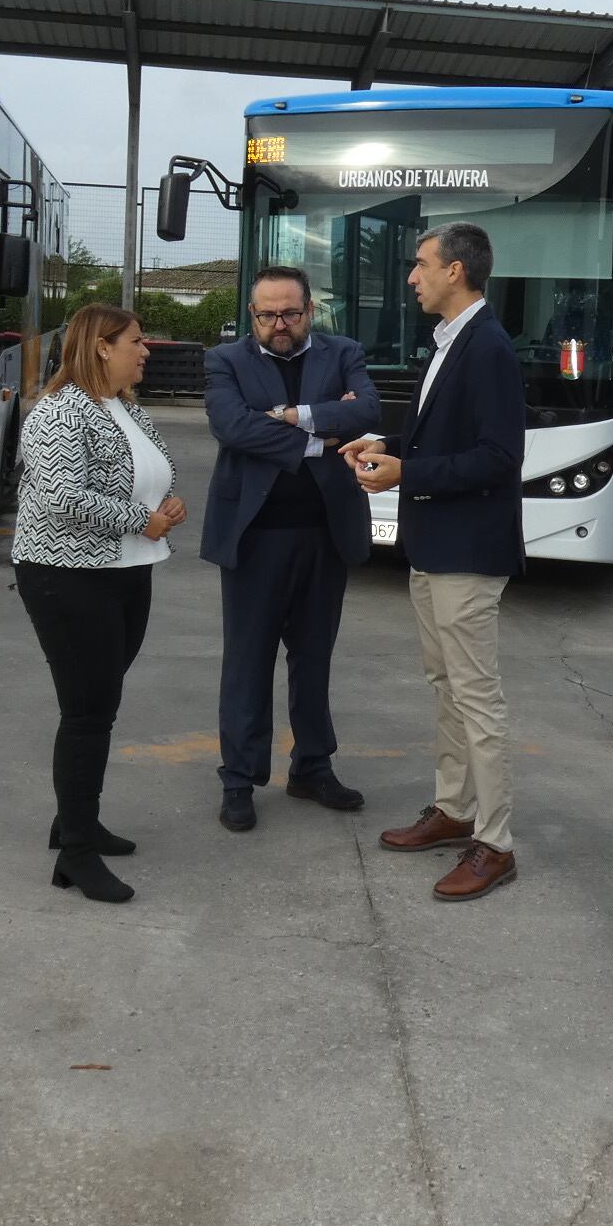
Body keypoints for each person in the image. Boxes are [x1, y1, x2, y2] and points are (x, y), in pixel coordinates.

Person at [342, 222, 527, 902]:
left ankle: (496, 843)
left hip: (469, 554)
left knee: (477, 698)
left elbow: (500, 458)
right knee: (446, 687)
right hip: (434, 545)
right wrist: (383, 443)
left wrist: (405, 473)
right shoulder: (451, 342)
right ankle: (453, 810)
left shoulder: (489, 349)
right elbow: (439, 433)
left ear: (455, 271)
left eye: (421, 266)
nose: (412, 277)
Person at [11, 304, 188, 905]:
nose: (146, 351)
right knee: (88, 711)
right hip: (67, 574)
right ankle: (76, 856)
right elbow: (63, 496)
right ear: (100, 347)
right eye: (136, 341)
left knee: (99, 702)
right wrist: (145, 520)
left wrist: (167, 505)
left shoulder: (126, 407)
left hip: (125, 571)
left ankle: (74, 822)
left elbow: (144, 476)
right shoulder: (59, 411)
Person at [201, 265, 383, 833]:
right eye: (267, 314)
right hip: (255, 538)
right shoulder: (226, 360)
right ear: (252, 315)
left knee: (314, 659)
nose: (279, 325)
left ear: (310, 311)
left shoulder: (343, 352)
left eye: (290, 313)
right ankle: (239, 779)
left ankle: (312, 767)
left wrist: (289, 416)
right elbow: (231, 427)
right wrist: (321, 436)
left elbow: (368, 411)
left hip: (325, 535)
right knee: (247, 662)